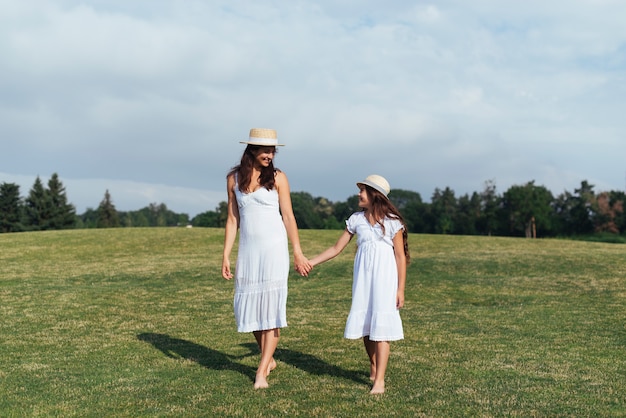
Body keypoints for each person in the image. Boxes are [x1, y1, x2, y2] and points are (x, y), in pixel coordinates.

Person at [222, 128, 312, 389]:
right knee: (250, 308)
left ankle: (261, 371)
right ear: (251, 150)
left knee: (270, 310)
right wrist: (226, 254)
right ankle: (268, 357)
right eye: (265, 150)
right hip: (249, 251)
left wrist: (297, 250)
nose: (270, 155)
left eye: (273, 150)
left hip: (274, 251)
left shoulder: (279, 178)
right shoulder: (233, 179)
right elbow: (232, 219)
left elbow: (289, 216)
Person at [308, 174, 408, 394]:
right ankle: (373, 365)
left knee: (381, 328)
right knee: (366, 325)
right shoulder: (356, 220)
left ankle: (379, 381)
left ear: (374, 195)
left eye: (362, 190)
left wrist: (400, 289)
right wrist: (311, 262)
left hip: (385, 281)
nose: (358, 194)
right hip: (363, 280)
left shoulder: (392, 223)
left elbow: (400, 257)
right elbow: (336, 249)